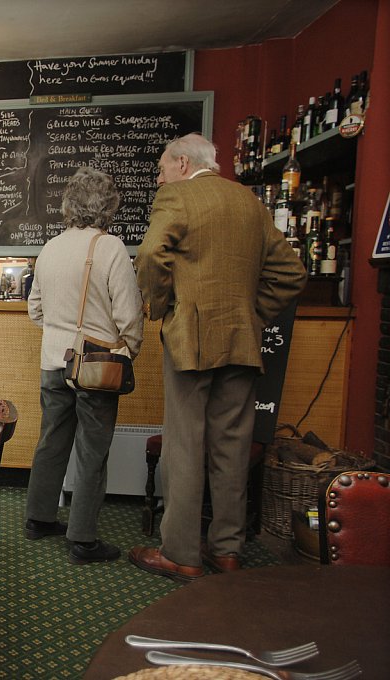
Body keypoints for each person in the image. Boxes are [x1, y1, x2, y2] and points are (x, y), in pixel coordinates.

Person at [129, 134, 306, 581]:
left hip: (191, 339)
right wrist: (251, 315)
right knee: (232, 445)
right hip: (241, 341)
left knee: (185, 443)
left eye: (163, 167)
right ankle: (226, 550)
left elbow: (150, 254)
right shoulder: (250, 203)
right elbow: (292, 273)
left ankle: (181, 554)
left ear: (184, 164)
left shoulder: (178, 195)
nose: (159, 176)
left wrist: (162, 308)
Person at [24, 167, 144, 564]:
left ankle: (39, 518)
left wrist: (59, 333)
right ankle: (83, 540)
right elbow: (129, 315)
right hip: (94, 363)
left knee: (51, 440)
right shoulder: (110, 248)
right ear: (108, 205)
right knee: (92, 450)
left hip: (51, 361)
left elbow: (35, 309)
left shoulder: (51, 247)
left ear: (69, 204)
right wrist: (129, 349)